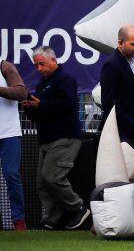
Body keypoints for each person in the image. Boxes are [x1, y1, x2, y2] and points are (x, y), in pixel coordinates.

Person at [22, 47, 90, 230]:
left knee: (52, 177)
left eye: (41, 64)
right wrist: (29, 107)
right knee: (42, 183)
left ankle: (79, 208)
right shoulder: (42, 84)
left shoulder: (66, 80)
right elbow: (39, 113)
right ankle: (52, 220)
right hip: (46, 139)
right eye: (36, 65)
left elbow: (67, 105)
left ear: (53, 60)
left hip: (65, 137)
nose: (39, 69)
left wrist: (41, 104)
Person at [99, 25, 134, 147]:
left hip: (130, 134)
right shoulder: (112, 65)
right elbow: (110, 105)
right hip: (119, 135)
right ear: (120, 43)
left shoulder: (130, 60)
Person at [0, 59, 28, 231]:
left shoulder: (5, 67)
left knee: (11, 175)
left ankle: (19, 221)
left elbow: (22, 92)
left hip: (8, 133)